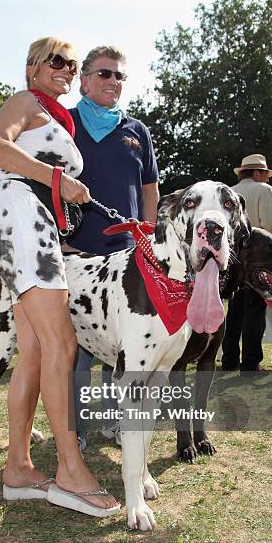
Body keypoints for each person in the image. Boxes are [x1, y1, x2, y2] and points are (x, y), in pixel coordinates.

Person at [0, 36, 119, 516]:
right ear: (33, 66)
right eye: (58, 61)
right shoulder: (24, 102)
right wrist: (59, 180)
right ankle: (69, 470)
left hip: (33, 223)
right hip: (23, 219)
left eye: (73, 64)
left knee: (38, 349)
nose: (66, 69)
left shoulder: (56, 116)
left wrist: (60, 193)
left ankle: (18, 466)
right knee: (63, 344)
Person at [66, 46, 159, 449]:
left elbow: (150, 191)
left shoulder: (137, 130)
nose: (113, 82)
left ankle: (115, 423)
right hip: (75, 255)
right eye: (104, 74)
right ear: (84, 79)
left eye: (120, 76)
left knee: (123, 350)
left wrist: (150, 238)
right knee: (76, 354)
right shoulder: (64, 123)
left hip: (128, 259)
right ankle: (76, 430)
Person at [222, 154, 272, 373]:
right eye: (265, 174)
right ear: (257, 173)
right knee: (254, 310)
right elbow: (271, 226)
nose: (267, 179)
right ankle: (250, 362)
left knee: (235, 311)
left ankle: (229, 360)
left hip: (232, 259)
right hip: (256, 258)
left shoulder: (228, 191)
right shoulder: (264, 190)